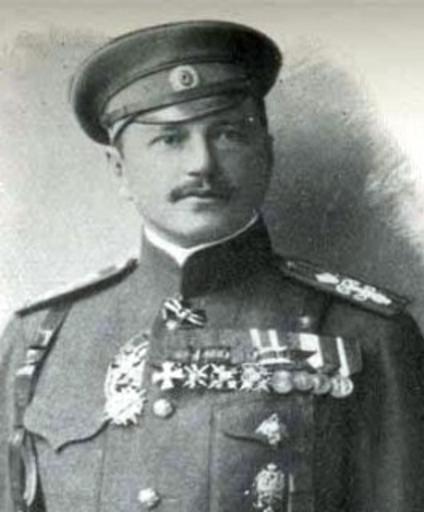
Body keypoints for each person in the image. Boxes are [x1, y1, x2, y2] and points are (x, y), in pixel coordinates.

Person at [1, 19, 424, 512]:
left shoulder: (367, 334)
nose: (201, 163)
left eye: (227, 133)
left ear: (266, 152)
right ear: (119, 168)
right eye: (170, 139)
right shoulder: (40, 338)